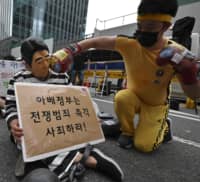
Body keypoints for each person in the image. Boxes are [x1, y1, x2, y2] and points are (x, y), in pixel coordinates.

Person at [59, 0, 200, 152]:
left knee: (144, 146)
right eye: (140, 25)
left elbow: (194, 94)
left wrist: (188, 73)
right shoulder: (129, 44)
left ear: (165, 26)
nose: (143, 30)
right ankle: (127, 131)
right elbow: (96, 41)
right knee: (121, 97)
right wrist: (68, 50)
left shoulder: (177, 54)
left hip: (156, 105)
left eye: (150, 26)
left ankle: (164, 126)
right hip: (133, 97)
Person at [4, 37, 124, 182]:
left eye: (48, 58)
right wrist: (13, 123)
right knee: (29, 143)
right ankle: (87, 158)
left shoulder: (62, 77)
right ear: (27, 64)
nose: (46, 64)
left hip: (59, 127)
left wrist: (88, 115)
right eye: (39, 61)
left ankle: (69, 164)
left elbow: (73, 101)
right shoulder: (18, 80)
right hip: (33, 129)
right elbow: (11, 107)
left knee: (66, 138)